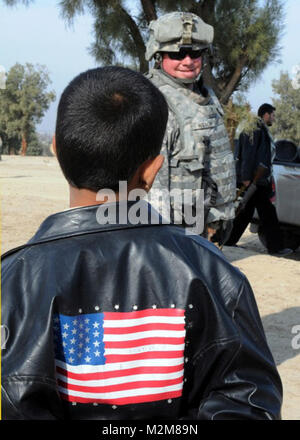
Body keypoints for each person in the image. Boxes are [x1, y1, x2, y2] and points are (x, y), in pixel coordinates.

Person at [1, 66, 282, 420]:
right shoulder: (216, 274)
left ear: (56, 150)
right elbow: (250, 400)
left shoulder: (11, 282)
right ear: (152, 171)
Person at [145, 11, 236, 245]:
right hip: (175, 232)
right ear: (158, 55)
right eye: (178, 53)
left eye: (195, 53)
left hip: (205, 226)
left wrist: (221, 218)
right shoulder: (154, 102)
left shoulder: (205, 96)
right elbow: (153, 185)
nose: (188, 61)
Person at [225, 103, 293, 256]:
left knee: (245, 212)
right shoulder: (254, 129)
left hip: (259, 180)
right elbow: (248, 155)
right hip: (255, 181)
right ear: (266, 114)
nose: (274, 119)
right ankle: (276, 248)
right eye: (273, 115)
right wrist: (247, 178)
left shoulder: (260, 129)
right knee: (268, 214)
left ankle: (228, 240)